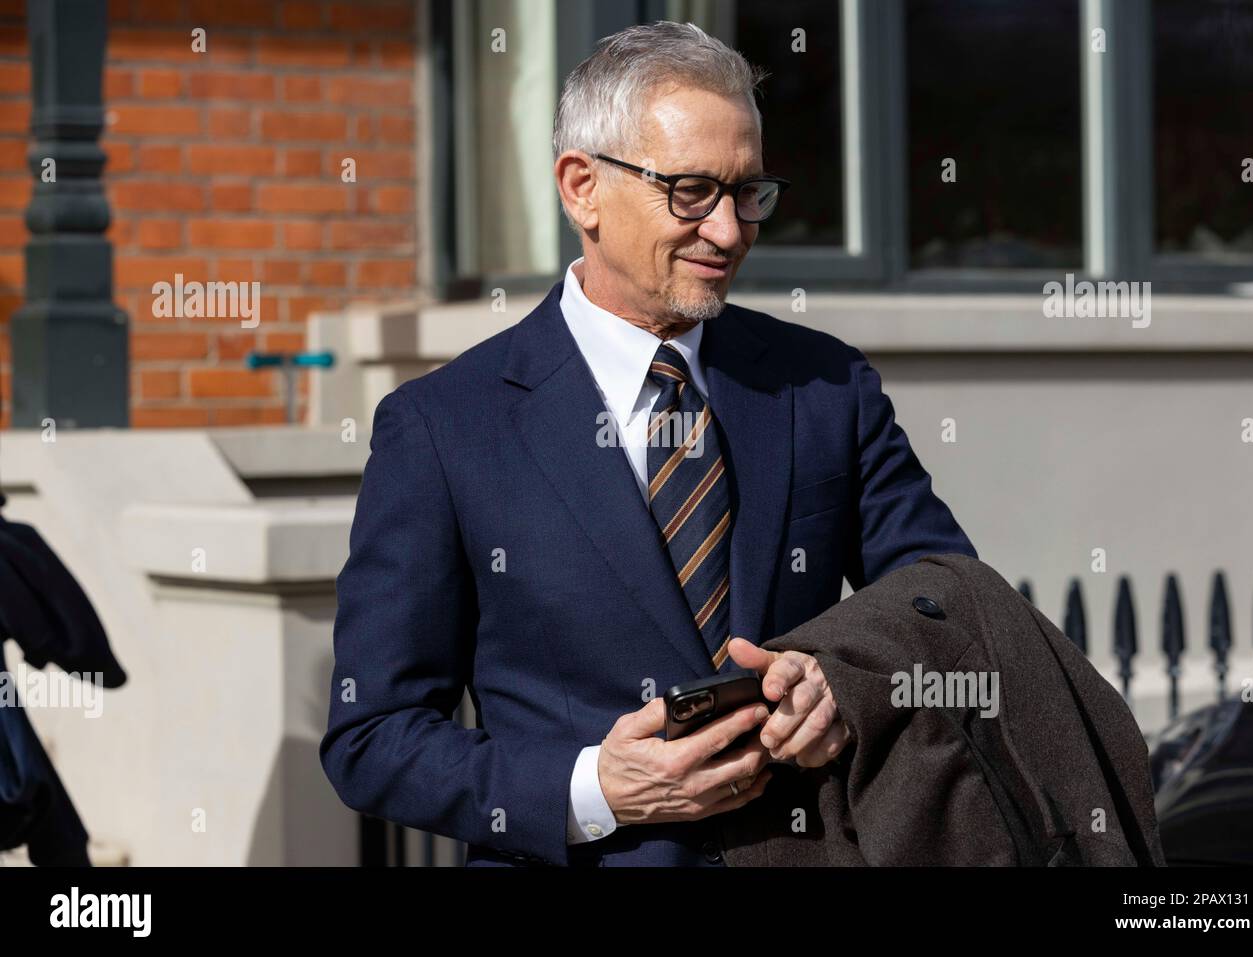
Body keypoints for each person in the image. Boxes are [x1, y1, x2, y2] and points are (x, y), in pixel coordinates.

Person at [320, 20, 976, 867]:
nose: (731, 232)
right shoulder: (444, 428)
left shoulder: (824, 387)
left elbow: (949, 601)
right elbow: (372, 737)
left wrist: (845, 687)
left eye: (750, 193)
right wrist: (595, 787)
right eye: (694, 191)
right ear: (581, 187)